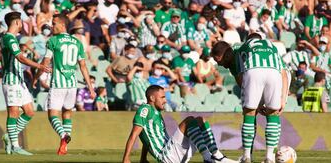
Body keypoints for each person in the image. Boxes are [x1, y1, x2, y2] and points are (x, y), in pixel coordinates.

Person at [211, 34, 288, 163]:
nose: (220, 65)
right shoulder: (271, 46)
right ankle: (269, 157)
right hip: (275, 73)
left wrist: (255, 106)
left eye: (219, 61)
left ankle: (246, 156)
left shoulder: (241, 50)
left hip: (253, 70)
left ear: (225, 54)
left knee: (249, 113)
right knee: (273, 114)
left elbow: (242, 79)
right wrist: (283, 99)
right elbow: (284, 74)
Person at [122, 85, 237, 163]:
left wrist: (143, 159)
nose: (165, 100)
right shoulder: (145, 109)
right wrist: (126, 158)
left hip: (176, 154)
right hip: (167, 156)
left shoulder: (156, 113)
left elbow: (147, 137)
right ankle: (208, 158)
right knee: (189, 120)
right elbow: (134, 135)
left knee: (201, 120)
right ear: (152, 98)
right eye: (162, 97)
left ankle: (217, 156)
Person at [33, 13, 95, 155]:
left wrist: (36, 77)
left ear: (62, 25)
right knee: (67, 113)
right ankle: (64, 147)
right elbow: (83, 66)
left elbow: (45, 63)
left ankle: (63, 135)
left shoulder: (53, 41)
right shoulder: (77, 42)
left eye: (54, 23)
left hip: (58, 84)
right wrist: (90, 87)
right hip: (72, 85)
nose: (52, 26)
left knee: (52, 115)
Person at [1, 12, 51, 155]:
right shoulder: (9, 38)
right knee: (14, 112)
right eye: (21, 22)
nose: (22, 24)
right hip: (11, 81)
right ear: (17, 22)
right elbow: (20, 58)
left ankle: (9, 136)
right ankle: (15, 146)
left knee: (29, 112)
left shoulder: (12, 39)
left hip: (19, 81)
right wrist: (39, 66)